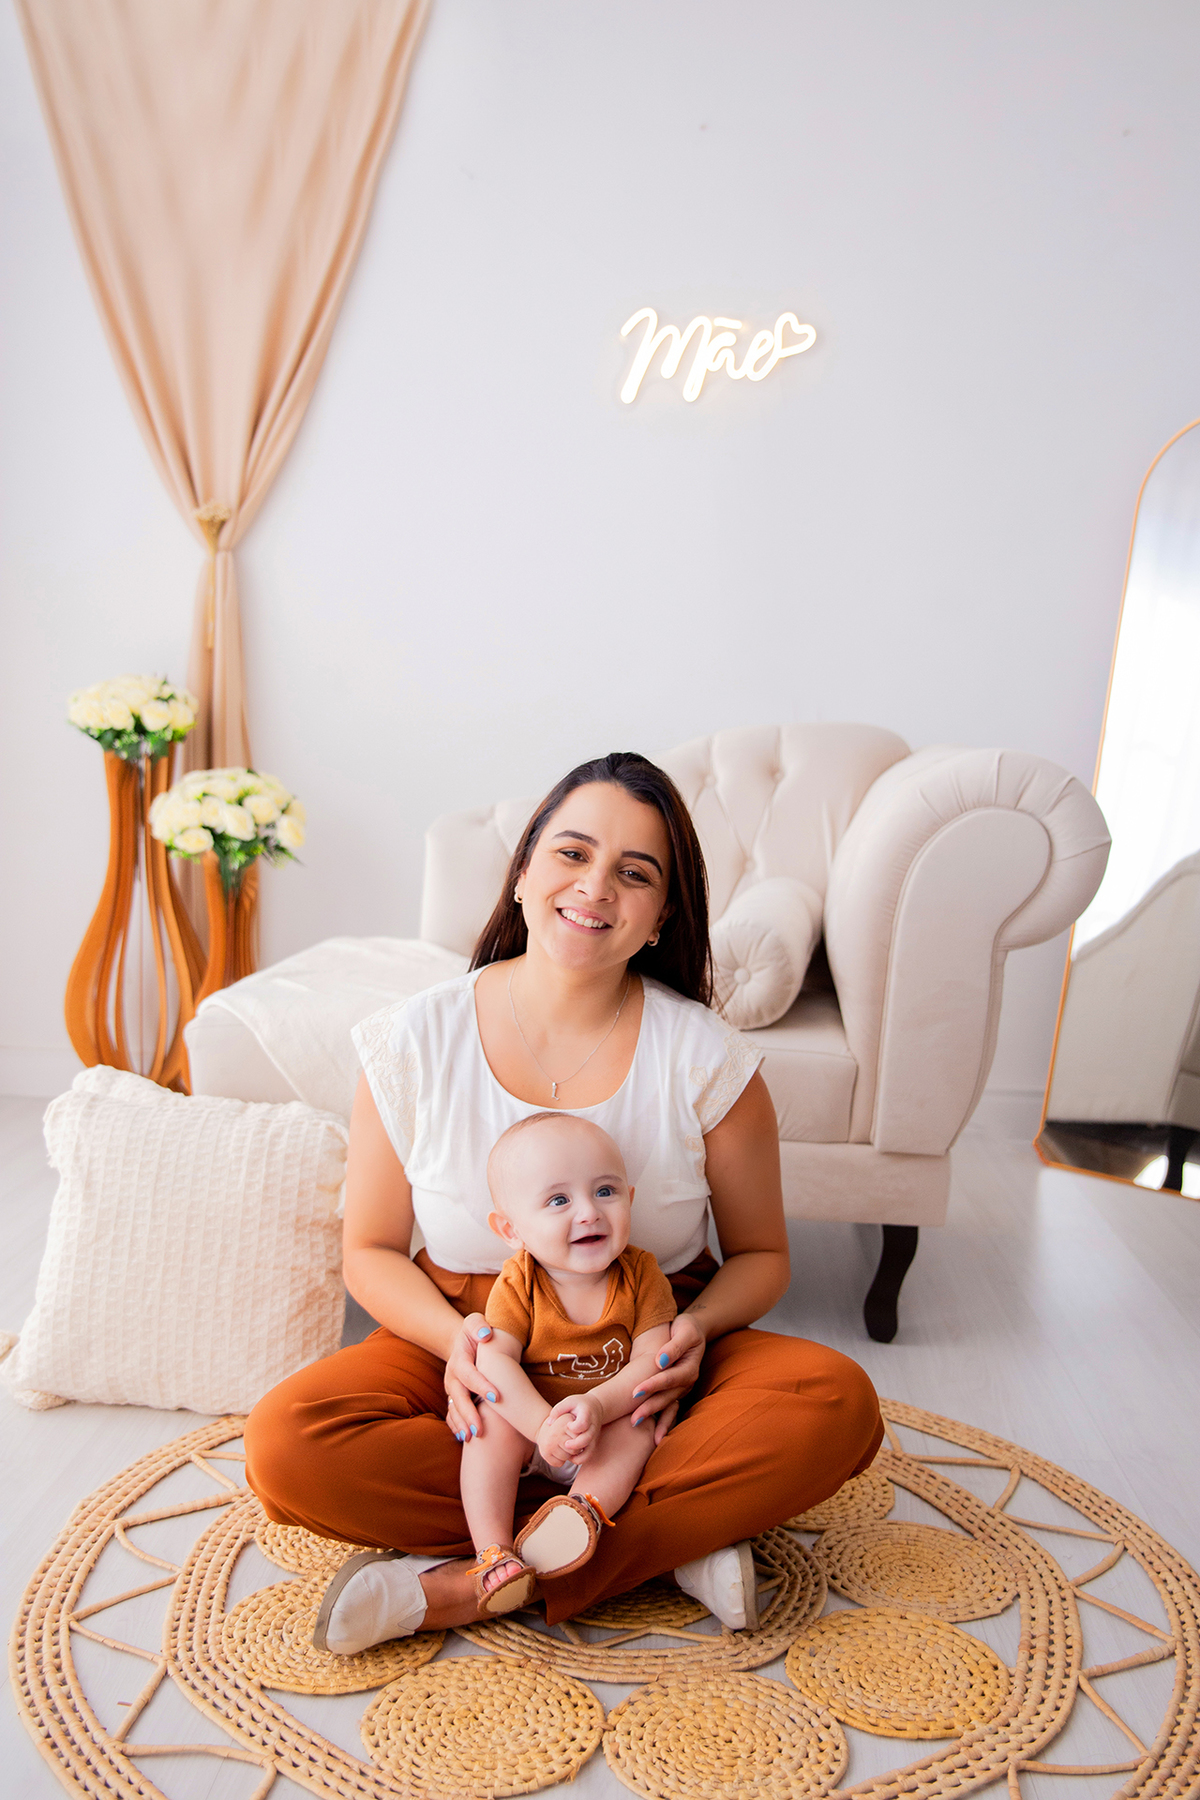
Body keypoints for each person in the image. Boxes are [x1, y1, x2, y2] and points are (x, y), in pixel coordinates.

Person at [246, 750, 884, 1657]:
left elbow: (761, 1257)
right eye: (572, 854)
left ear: (663, 916)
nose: (595, 888)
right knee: (288, 1443)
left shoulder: (708, 1058)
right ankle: (656, 1541)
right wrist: (459, 1350)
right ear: (523, 873)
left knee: (834, 1404)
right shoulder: (412, 1039)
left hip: (648, 1345)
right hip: (473, 1334)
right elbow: (372, 1251)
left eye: (636, 873)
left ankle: (473, 1579)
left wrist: (692, 1337)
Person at [460, 1111, 678, 1614]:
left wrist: (598, 1406)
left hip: (605, 1422)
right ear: (511, 1229)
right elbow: (495, 1363)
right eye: (559, 1200)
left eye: (605, 1191)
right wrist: (542, 1427)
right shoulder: (520, 1281)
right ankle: (492, 1551)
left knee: (639, 1424)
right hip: (532, 1427)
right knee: (487, 1423)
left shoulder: (641, 1274)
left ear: (630, 1198)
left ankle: (579, 1516)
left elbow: (653, 1361)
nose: (589, 1212)